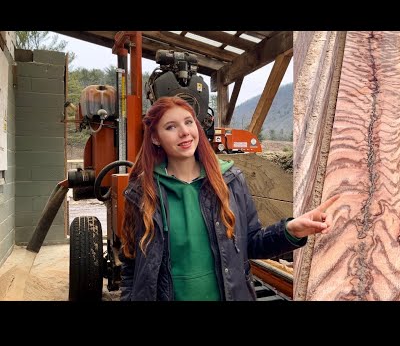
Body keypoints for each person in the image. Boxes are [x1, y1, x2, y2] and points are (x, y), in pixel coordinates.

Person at [119, 96, 340, 301]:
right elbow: (131, 263)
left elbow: (251, 243)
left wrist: (291, 230)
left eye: (189, 122)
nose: (184, 132)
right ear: (156, 138)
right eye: (171, 127)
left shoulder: (229, 181)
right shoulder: (142, 191)